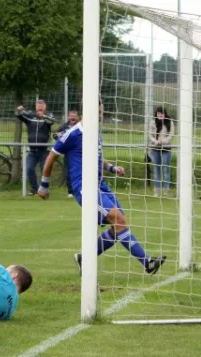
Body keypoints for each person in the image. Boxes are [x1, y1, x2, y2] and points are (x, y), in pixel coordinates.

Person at [37, 102, 166, 276]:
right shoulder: (72, 134)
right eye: (97, 112)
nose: (100, 115)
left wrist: (112, 168)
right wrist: (44, 185)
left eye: (101, 112)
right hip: (84, 187)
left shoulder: (95, 132)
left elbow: (98, 158)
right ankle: (147, 263)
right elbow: (51, 158)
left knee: (118, 226)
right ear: (87, 111)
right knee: (118, 220)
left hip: (100, 185)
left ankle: (85, 258)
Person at [16, 100, 57, 195]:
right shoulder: (30, 116)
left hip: (44, 150)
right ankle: (34, 189)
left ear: (45, 106)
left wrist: (43, 116)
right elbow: (18, 115)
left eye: (42, 105)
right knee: (29, 168)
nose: (40, 107)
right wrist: (18, 110)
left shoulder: (49, 116)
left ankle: (44, 189)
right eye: (38, 105)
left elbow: (52, 121)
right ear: (35, 107)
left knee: (45, 170)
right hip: (32, 151)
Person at [148, 106, 175, 197]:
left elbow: (171, 135)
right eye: (158, 113)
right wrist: (155, 141)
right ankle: (156, 191)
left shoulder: (170, 122)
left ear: (165, 114)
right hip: (155, 149)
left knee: (166, 170)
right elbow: (150, 135)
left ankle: (166, 190)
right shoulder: (152, 122)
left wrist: (162, 141)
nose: (160, 115)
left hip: (166, 149)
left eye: (161, 113)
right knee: (156, 170)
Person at [53, 110, 80, 197]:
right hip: (68, 153)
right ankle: (70, 192)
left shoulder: (80, 126)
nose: (72, 118)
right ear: (68, 117)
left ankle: (79, 190)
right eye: (71, 116)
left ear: (77, 117)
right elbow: (55, 135)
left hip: (78, 153)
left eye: (74, 116)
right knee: (68, 172)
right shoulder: (64, 126)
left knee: (79, 172)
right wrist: (58, 135)